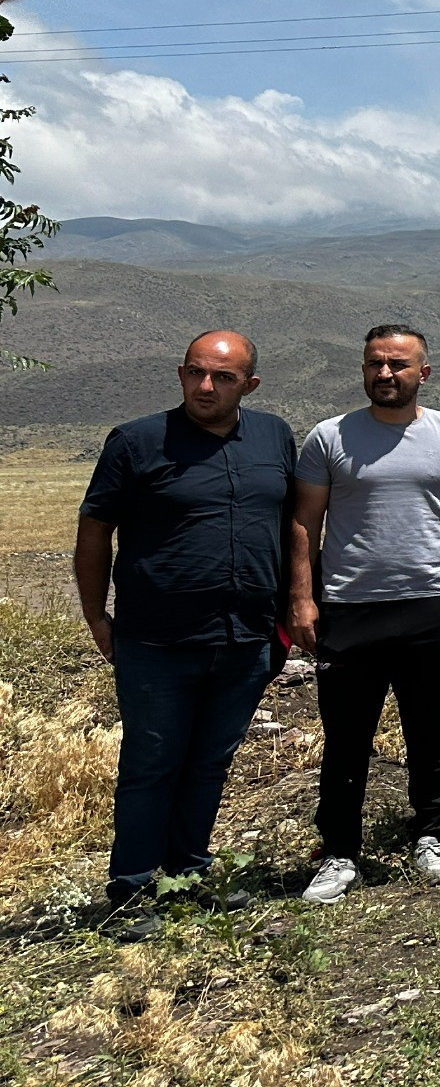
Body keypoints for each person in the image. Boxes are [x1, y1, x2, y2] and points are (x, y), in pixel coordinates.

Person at [74, 330, 295, 919]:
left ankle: (188, 874)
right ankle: (132, 889)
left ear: (248, 385)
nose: (205, 386)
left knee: (209, 762)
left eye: (222, 377)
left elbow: (294, 525)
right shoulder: (137, 441)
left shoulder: (275, 436)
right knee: (151, 764)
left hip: (247, 636)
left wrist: (293, 613)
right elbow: (95, 528)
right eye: (195, 373)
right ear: (180, 374)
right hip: (157, 640)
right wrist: (97, 614)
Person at [287, 326, 440, 902]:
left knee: (431, 729)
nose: (385, 374)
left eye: (398, 365)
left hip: (432, 603)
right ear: (362, 369)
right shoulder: (329, 437)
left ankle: (433, 834)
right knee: (345, 736)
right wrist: (303, 600)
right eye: (375, 364)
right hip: (350, 608)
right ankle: (339, 852)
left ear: (423, 372)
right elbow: (304, 523)